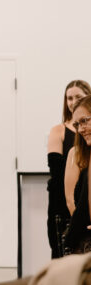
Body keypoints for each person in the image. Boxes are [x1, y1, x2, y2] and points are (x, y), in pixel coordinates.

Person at [47, 80, 90, 257]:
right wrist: (78, 226)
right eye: (69, 98)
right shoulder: (76, 149)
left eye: (77, 97)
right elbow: (69, 197)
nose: (72, 102)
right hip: (66, 210)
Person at [62, 94, 91, 254]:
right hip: (82, 238)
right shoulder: (78, 153)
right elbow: (71, 200)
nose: (80, 129)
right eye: (77, 124)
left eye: (84, 121)